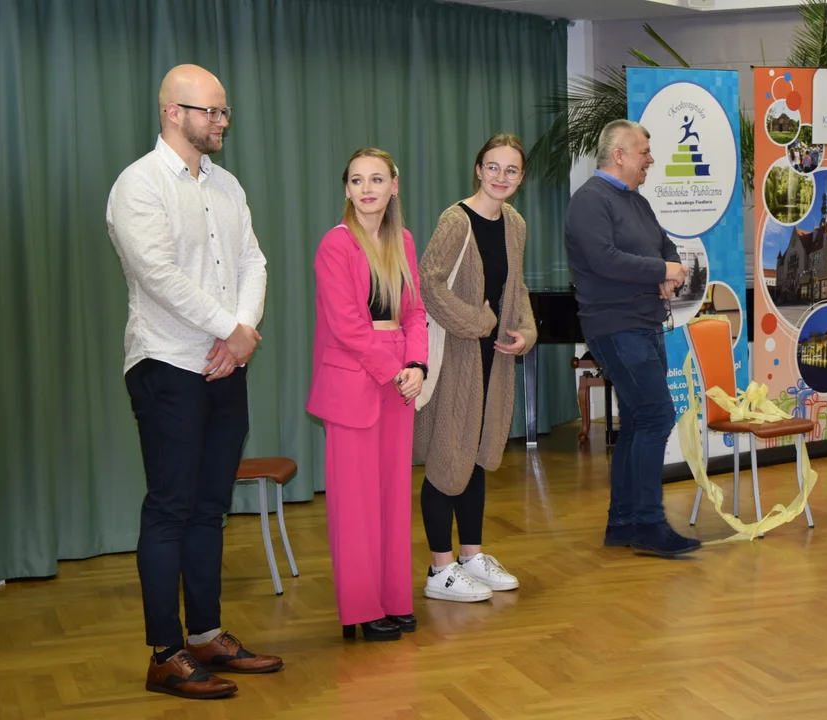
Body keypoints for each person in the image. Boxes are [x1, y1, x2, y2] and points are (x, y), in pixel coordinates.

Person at [106, 64, 282, 701]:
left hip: (224, 366)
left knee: (211, 508)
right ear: (171, 113)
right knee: (171, 510)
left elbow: (252, 260)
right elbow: (156, 274)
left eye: (224, 112)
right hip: (166, 365)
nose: (221, 121)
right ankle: (165, 654)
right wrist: (228, 329)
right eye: (210, 111)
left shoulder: (228, 186)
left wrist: (241, 332)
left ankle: (206, 635)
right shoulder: (138, 186)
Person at [564, 119, 702, 558]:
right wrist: (662, 272)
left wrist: (669, 270)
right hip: (616, 326)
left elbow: (665, 247)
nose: (651, 159)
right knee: (656, 416)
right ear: (619, 154)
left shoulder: (636, 202)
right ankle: (647, 522)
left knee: (641, 422)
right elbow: (605, 260)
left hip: (644, 323)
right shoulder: (589, 201)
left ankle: (623, 522)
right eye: (644, 151)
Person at [306, 149, 428, 642]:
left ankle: (394, 599)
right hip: (358, 379)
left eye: (376, 179)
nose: (367, 188)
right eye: (356, 180)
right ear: (346, 189)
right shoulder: (335, 245)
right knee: (356, 504)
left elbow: (415, 311)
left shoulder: (403, 241)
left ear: (394, 185)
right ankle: (359, 608)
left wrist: (417, 365)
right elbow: (349, 327)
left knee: (393, 498)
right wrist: (396, 371)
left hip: (399, 375)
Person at [414, 133, 537, 602]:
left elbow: (517, 287)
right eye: (493, 167)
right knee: (449, 457)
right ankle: (439, 569)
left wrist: (525, 330)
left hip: (495, 359)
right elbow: (428, 282)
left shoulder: (515, 225)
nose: (501, 177)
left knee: (479, 455)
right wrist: (478, 322)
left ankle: (471, 556)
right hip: (457, 357)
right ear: (478, 169)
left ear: (520, 178)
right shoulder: (456, 220)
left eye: (511, 170)